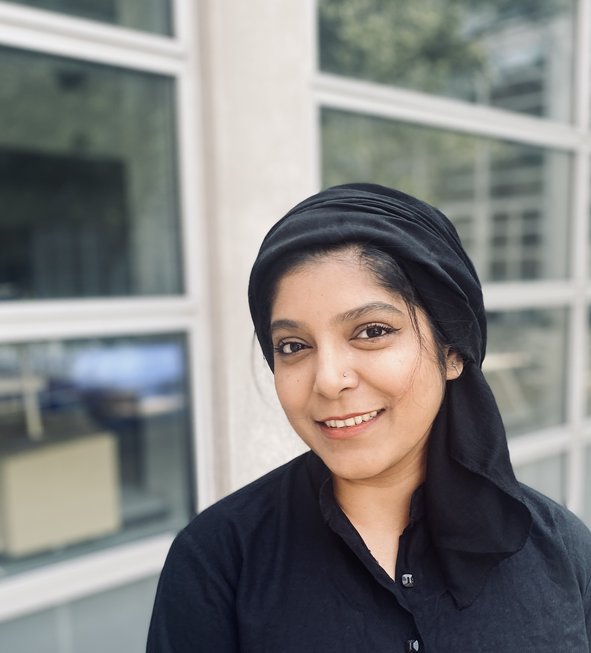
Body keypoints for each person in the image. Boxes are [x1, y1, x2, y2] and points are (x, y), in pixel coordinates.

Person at [146, 184, 591, 652]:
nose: (328, 380)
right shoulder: (218, 562)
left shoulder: (561, 551)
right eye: (293, 346)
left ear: (453, 351)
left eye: (371, 331)